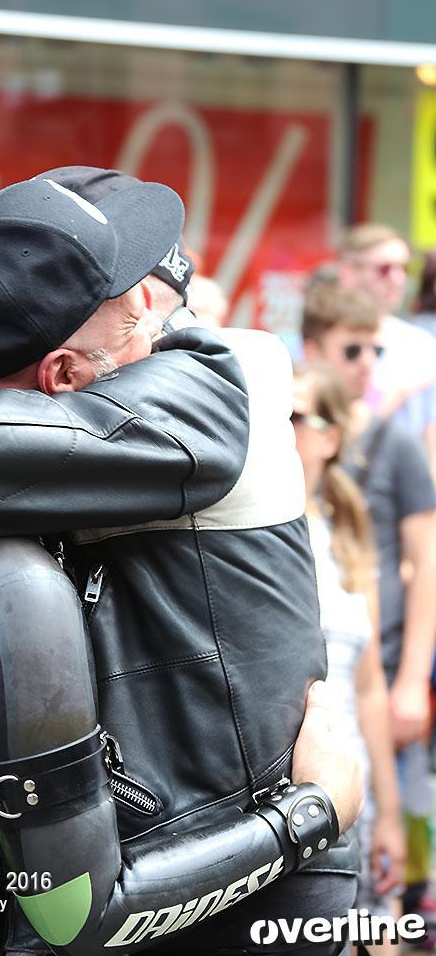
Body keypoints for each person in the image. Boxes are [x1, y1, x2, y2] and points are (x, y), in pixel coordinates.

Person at [0, 174, 361, 953]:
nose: (152, 305)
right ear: (62, 374)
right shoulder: (51, 406)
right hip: (116, 860)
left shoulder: (218, 380)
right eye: (123, 293)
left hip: (245, 874)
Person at [302, 280, 436, 921]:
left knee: (392, 870)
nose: (367, 366)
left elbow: (427, 561)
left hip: (368, 664)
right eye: (353, 350)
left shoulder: (392, 444)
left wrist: (412, 678)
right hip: (311, 733)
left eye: (376, 353)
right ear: (314, 348)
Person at [293, 360, 405, 953]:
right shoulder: (247, 531)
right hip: (299, 808)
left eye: (297, 416)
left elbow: (370, 689)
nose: (281, 426)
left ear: (331, 438)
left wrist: (389, 812)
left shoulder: (347, 534)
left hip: (358, 790)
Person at [338, 223, 436, 457]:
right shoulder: (329, 341)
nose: (398, 279)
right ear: (349, 273)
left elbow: (430, 432)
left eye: (404, 268)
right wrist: (399, 392)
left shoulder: (421, 343)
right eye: (384, 269)